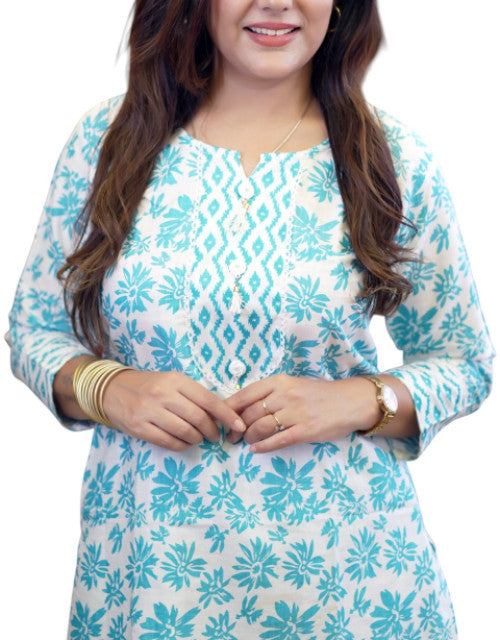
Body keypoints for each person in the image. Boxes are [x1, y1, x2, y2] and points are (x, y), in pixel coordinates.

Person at [6, 0, 494, 638]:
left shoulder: (392, 158)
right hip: (152, 580)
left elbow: (464, 361)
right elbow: (34, 329)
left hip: (349, 586)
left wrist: (357, 400)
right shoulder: (109, 142)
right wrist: (110, 389)